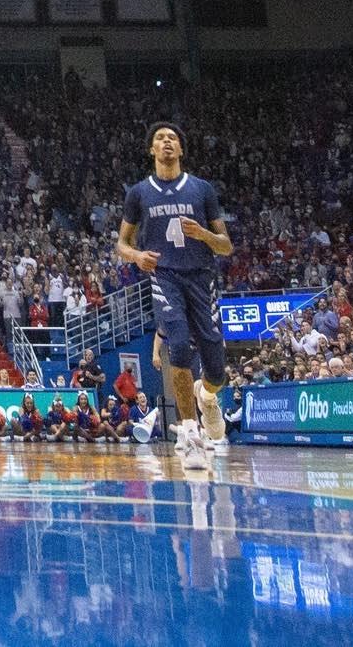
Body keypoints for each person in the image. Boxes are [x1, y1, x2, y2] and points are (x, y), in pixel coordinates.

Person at [116, 123, 233, 465]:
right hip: (165, 276)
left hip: (202, 277)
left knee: (216, 371)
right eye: (159, 139)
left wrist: (204, 235)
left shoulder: (202, 189)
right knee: (178, 346)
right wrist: (137, 256)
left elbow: (225, 246)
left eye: (172, 138)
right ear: (151, 150)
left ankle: (207, 398)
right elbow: (121, 243)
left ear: (181, 149)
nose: (166, 142)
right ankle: (189, 431)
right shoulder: (139, 193)